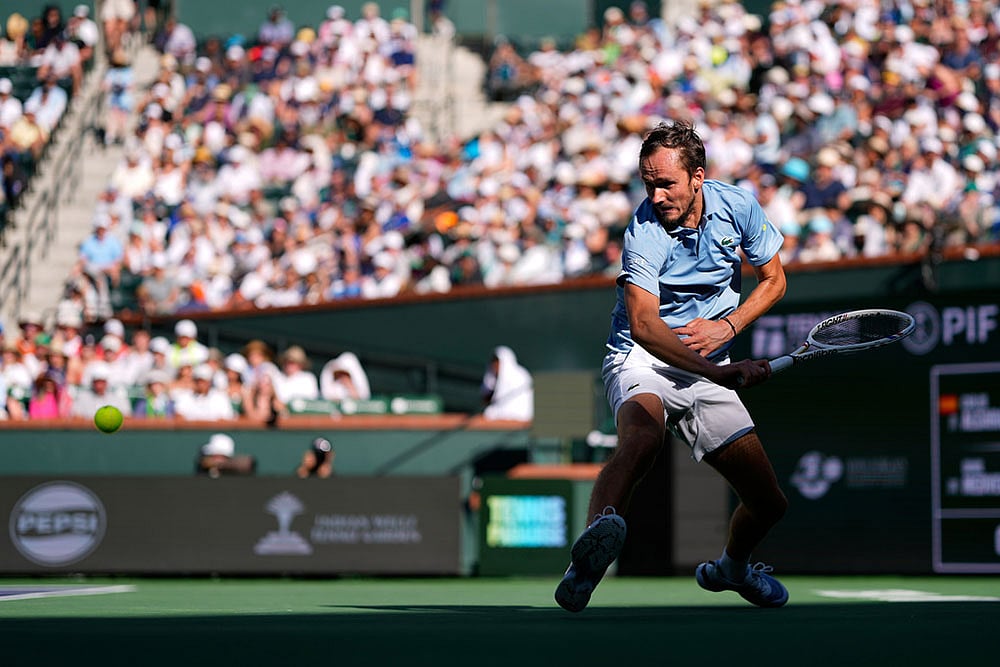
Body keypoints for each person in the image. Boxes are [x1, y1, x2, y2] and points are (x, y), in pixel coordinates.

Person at [555, 121, 789, 613]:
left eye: (667, 183)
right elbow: (643, 325)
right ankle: (586, 561)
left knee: (768, 503)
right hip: (640, 357)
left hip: (709, 359)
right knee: (643, 438)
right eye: (649, 184)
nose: (657, 195)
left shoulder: (739, 207)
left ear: (698, 178)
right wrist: (718, 371)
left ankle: (732, 568)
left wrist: (729, 327)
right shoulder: (643, 230)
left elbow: (773, 280)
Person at [480, 345, 533, 421]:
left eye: (497, 362)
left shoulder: (521, 376)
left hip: (520, 418)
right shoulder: (493, 375)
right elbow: (485, 396)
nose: (494, 365)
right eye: (493, 362)